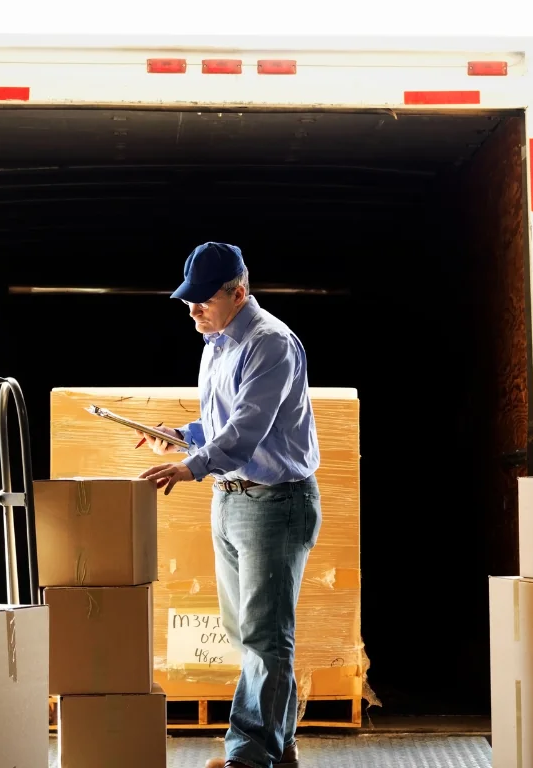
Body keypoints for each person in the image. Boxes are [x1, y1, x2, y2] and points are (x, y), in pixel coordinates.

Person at [137, 242, 322, 768]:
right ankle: (279, 748)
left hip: (275, 504)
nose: (192, 310)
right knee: (244, 631)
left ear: (237, 292)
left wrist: (190, 467)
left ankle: (246, 754)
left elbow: (247, 430)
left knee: (265, 635)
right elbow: (222, 426)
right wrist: (178, 436)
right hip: (232, 499)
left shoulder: (270, 344)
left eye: (202, 301)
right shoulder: (217, 342)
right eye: (187, 300)